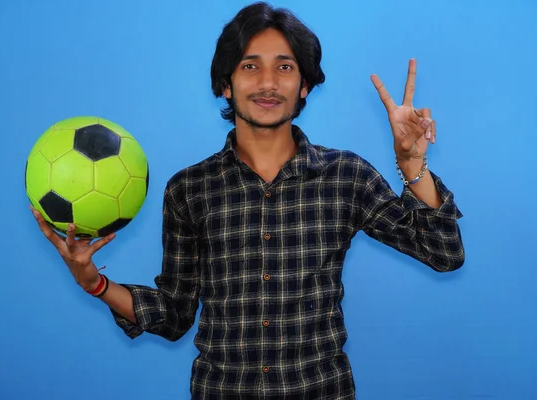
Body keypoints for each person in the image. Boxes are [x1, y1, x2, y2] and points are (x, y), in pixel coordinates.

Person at [30, 2, 465, 399]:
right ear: (225, 84)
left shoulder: (346, 175)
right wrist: (94, 283)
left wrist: (411, 163)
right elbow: (175, 313)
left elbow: (443, 253)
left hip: (321, 389)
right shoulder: (189, 189)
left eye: (285, 67)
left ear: (305, 86)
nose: (268, 83)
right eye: (250, 66)